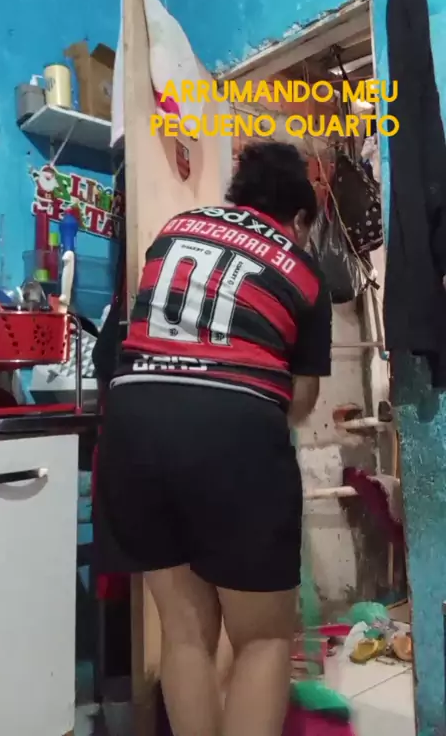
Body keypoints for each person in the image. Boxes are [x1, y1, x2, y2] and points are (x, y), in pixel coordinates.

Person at [95, 141, 332, 736]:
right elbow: (299, 400)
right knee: (262, 638)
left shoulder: (177, 228)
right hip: (232, 432)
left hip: (133, 421)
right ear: (299, 216)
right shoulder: (302, 269)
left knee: (184, 634)